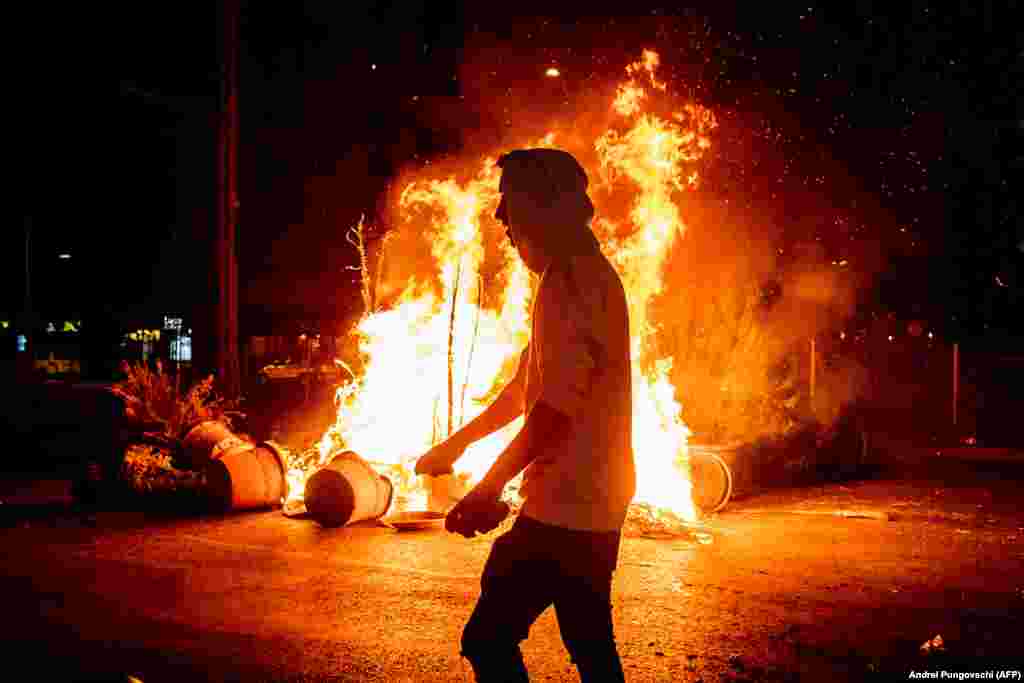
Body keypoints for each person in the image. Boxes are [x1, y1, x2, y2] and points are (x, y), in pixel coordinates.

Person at [415, 148, 635, 682]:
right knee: (589, 642)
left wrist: (486, 489)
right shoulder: (579, 275)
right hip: (596, 498)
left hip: (567, 504)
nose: (501, 222)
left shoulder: (571, 284)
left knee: (488, 639)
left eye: (508, 206)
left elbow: (552, 412)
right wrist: (457, 445)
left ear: (541, 209)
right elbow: (524, 389)